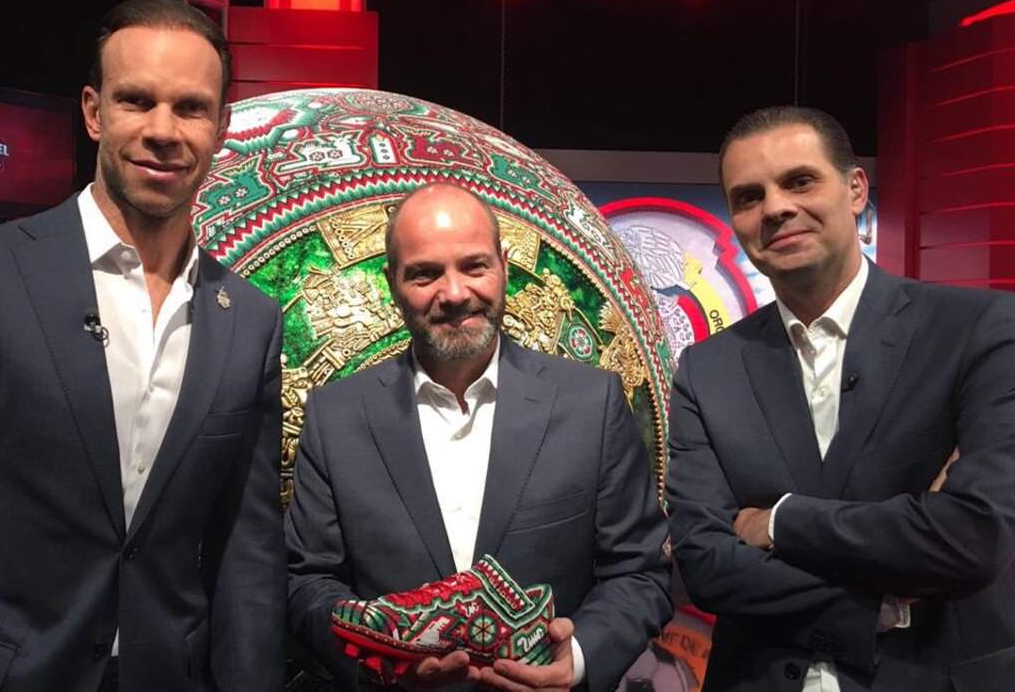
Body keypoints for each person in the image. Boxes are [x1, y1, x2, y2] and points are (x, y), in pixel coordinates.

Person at [0, 0, 286, 692]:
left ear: (222, 126)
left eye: (191, 108)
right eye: (136, 100)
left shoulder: (251, 320)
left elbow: (247, 548)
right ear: (93, 111)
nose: (163, 131)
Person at [666, 105, 1015, 692]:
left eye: (800, 181)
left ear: (856, 189)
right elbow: (706, 566)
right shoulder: (706, 369)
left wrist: (777, 522)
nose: (775, 208)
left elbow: (972, 537)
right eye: (749, 196)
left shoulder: (980, 330)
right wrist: (876, 602)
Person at [286, 182, 672, 692]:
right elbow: (305, 582)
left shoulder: (591, 404)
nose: (453, 293)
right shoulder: (336, 417)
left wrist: (577, 658)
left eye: (474, 266)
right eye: (425, 273)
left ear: (504, 267)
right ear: (391, 283)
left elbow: (640, 572)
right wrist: (380, 660)